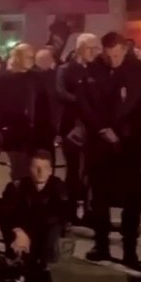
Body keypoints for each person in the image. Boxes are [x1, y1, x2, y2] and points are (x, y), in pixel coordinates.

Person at [76, 32, 141, 268]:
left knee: (132, 199)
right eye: (108, 56)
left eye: (117, 55)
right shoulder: (93, 70)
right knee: (99, 197)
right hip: (100, 142)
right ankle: (102, 245)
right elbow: (84, 103)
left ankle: (130, 248)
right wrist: (101, 129)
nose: (113, 60)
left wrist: (121, 132)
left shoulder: (138, 72)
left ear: (124, 50)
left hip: (129, 143)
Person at [0, 150, 74, 282]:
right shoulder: (17, 187)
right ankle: (15, 262)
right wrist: (18, 231)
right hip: (21, 237)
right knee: (10, 223)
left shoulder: (58, 189)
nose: (40, 172)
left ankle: (42, 266)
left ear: (50, 170)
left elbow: (64, 214)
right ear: (29, 169)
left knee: (54, 226)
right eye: (36, 167)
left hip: (42, 237)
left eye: (44, 168)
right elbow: (1, 212)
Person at [0, 44, 57, 180]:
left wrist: (48, 130)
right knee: (18, 171)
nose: (31, 60)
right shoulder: (6, 78)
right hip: (15, 132)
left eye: (32, 57)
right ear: (18, 58)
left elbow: (44, 105)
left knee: (34, 172)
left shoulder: (37, 78)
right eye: (28, 57)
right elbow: (1, 105)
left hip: (36, 132)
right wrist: (2, 130)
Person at [55, 33, 100, 203]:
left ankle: (87, 205)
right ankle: (71, 205)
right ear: (80, 49)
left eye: (96, 48)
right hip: (71, 124)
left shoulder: (95, 69)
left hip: (92, 125)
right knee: (73, 167)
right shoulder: (65, 69)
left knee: (89, 168)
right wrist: (82, 99)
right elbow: (60, 93)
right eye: (91, 48)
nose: (94, 52)